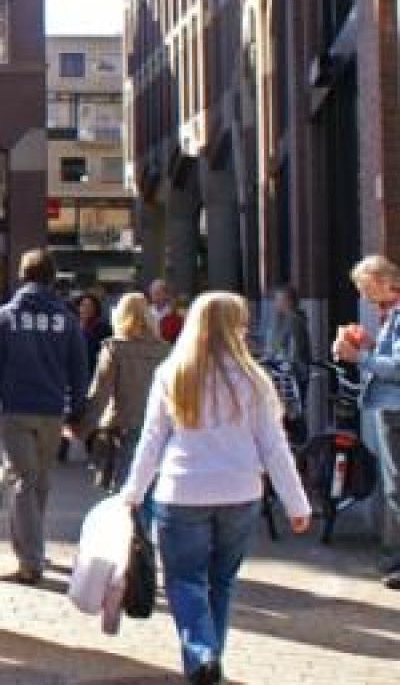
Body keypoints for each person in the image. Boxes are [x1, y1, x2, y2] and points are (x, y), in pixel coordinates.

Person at [121, 292, 311, 684]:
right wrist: (297, 503)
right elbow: (274, 448)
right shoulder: (256, 381)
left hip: (181, 492)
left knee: (184, 581)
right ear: (236, 328)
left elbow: (152, 440)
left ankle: (202, 654)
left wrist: (133, 492)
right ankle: (210, 658)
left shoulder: (172, 374)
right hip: (241, 494)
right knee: (222, 582)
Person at [0, 249, 88, 586]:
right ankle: (32, 547)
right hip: (52, 411)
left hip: (16, 409)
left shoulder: (8, 316)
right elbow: (79, 369)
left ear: (23, 275)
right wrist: (77, 412)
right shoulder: (66, 319)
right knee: (38, 481)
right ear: (53, 277)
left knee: (23, 481)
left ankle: (30, 560)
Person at [332, 255, 400, 591]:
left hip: (395, 408)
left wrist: (357, 356)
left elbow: (399, 367)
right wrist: (370, 345)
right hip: (389, 406)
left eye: (366, 287)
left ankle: (398, 560)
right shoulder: (389, 315)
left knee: (397, 486)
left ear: (383, 281)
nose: (363, 295)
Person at [85, 293, 170, 488]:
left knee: (123, 493)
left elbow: (100, 394)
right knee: (154, 489)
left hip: (123, 426)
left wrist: (82, 427)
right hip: (160, 428)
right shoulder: (167, 350)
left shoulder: (114, 349)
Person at [269, 286, 314, 417]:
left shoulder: (293, 320)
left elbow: (294, 349)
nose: (275, 303)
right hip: (288, 373)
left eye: (278, 300)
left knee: (293, 413)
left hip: (291, 376)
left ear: (287, 301)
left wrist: (282, 365)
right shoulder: (287, 319)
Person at [77, 294, 113, 377]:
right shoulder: (74, 327)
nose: (85, 309)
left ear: (95, 309)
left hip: (96, 372)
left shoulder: (104, 328)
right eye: (83, 305)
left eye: (89, 306)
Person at [150, 279, 184, 343]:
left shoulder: (175, 315)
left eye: (158, 294)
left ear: (166, 295)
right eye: (153, 293)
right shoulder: (146, 313)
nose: (155, 297)